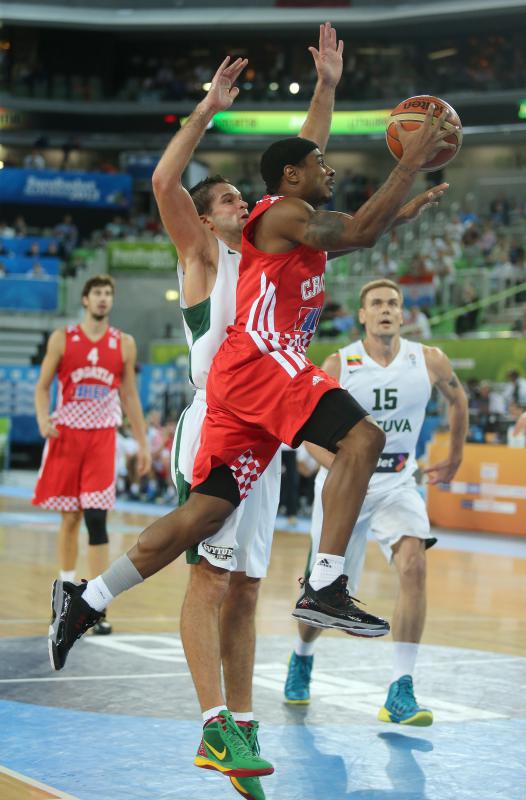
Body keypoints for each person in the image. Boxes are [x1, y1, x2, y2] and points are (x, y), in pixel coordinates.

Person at [47, 42, 454, 778]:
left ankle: (97, 603)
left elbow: (305, 158)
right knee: (215, 573)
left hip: (267, 407)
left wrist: (327, 85)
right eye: (227, 199)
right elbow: (186, 179)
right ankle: (226, 708)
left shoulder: (282, 233)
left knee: (241, 576)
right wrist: (207, 108)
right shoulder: (208, 253)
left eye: (244, 194)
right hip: (233, 395)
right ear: (209, 219)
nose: (239, 200)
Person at [284, 278, 468, 726]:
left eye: (393, 303)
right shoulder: (339, 363)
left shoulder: (428, 359)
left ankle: (401, 688)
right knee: (322, 597)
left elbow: (458, 399)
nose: (386, 309)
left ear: (403, 314)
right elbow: (305, 428)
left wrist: (455, 456)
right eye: (377, 304)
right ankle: (302, 653)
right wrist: (344, 467)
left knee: (414, 562)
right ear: (362, 315)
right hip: (344, 487)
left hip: (398, 482)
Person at [34, 275, 150, 634]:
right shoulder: (63, 338)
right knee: (70, 519)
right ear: (85, 299)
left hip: (102, 437)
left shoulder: (124, 343)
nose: (103, 298)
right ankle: (66, 596)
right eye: (97, 293)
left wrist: (143, 443)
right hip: (67, 435)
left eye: (108, 293)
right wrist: (43, 419)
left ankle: (95, 604)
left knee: (97, 519)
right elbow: (42, 387)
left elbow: (129, 396)